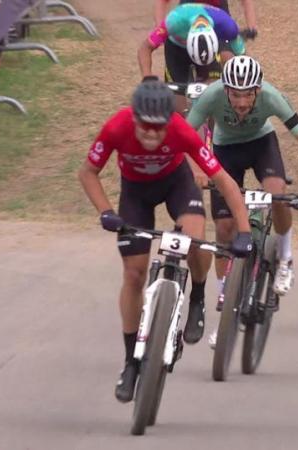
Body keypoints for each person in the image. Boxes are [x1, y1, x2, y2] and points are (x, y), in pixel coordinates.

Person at [78, 79, 253, 402]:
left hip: (177, 185)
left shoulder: (180, 130)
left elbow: (224, 182)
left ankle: (197, 296)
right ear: (134, 119)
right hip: (135, 194)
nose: (152, 135)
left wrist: (244, 233)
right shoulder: (116, 126)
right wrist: (105, 211)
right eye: (145, 127)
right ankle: (131, 362)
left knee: (195, 241)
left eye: (159, 128)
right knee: (133, 274)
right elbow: (88, 172)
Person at [186, 56, 298, 347]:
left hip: (261, 145)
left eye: (248, 94)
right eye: (235, 94)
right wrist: (198, 171)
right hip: (225, 150)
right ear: (225, 89)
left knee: (276, 194)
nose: (241, 103)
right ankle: (225, 304)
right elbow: (185, 137)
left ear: (258, 90)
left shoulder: (272, 96)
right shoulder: (211, 96)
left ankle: (285, 258)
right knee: (225, 228)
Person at [139, 3, 246, 113]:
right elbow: (145, 48)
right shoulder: (174, 22)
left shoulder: (227, 25)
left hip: (209, 55)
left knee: (214, 97)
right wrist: (147, 77)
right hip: (177, 49)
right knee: (178, 111)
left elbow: (242, 58)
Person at [154, 0, 257, 37]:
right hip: (189, 11)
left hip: (217, 11)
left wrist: (251, 27)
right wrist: (160, 28)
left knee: (228, 53)